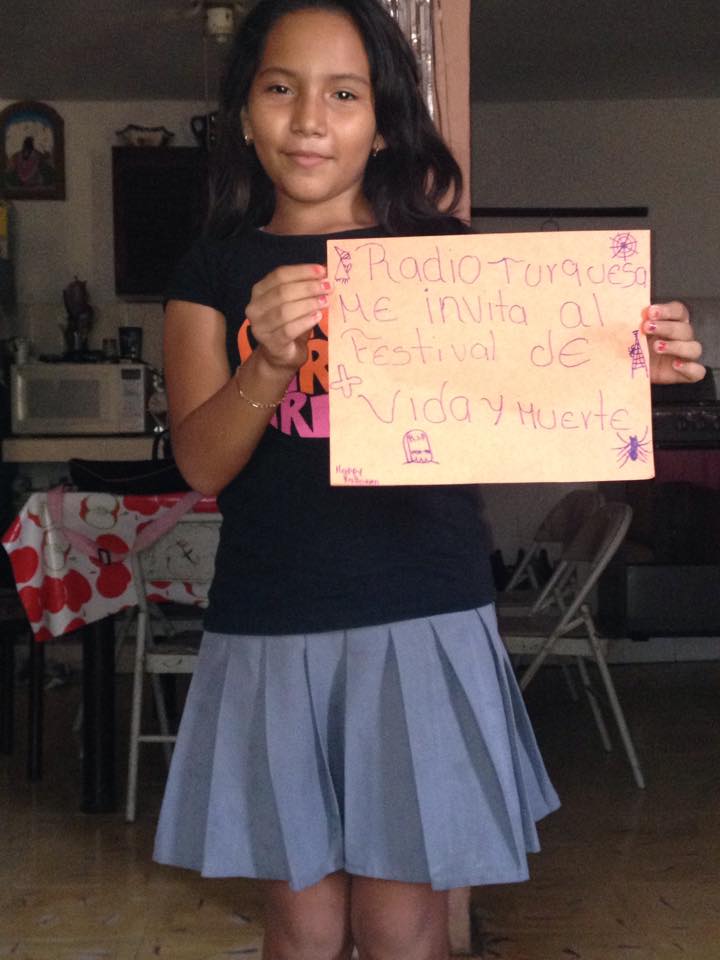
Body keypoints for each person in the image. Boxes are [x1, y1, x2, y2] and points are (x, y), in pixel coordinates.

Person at [153, 2, 705, 958]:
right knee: (303, 928)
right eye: (281, 88)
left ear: (382, 123)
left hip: (420, 615)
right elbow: (202, 462)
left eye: (344, 94)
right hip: (272, 621)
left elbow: (534, 400)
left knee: (404, 927)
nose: (310, 119)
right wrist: (268, 363)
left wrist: (629, 370)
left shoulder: (443, 262)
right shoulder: (212, 271)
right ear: (244, 113)